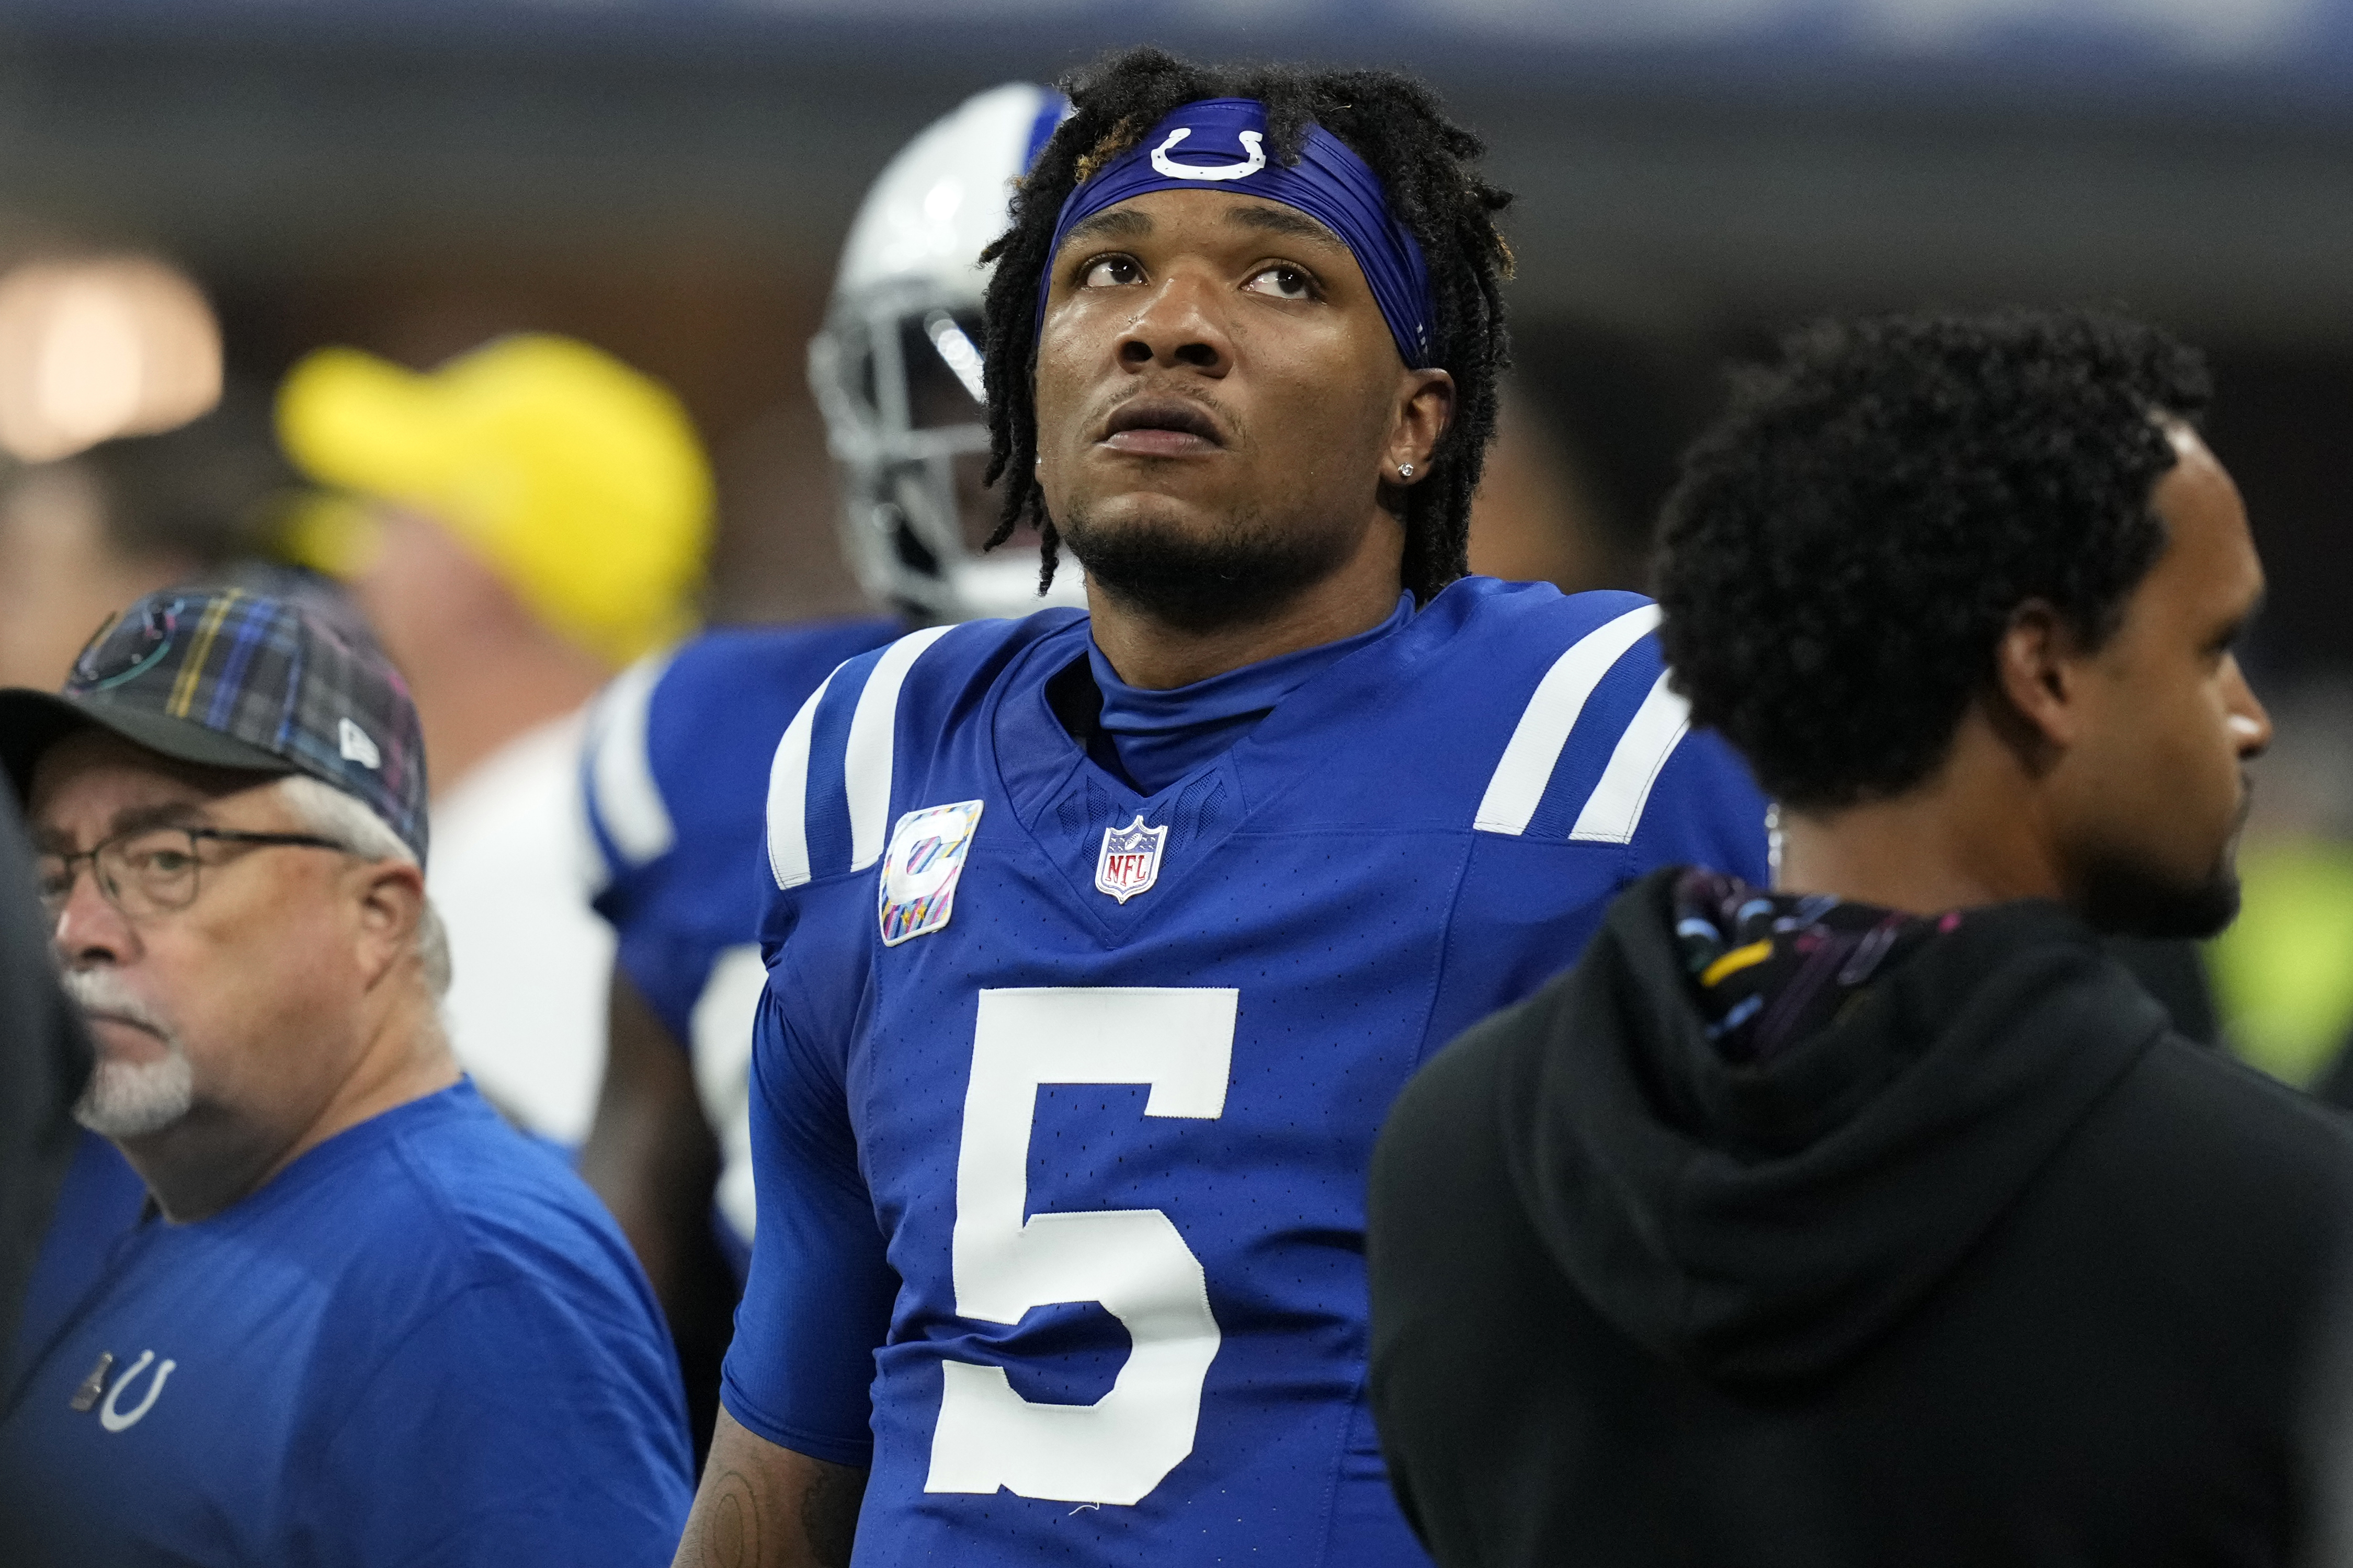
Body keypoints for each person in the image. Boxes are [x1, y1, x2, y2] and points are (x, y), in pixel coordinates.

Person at [671, 49, 1768, 1568]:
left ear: (1418, 423)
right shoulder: (872, 755)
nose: (1167, 327)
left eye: (1281, 282)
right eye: (1107, 270)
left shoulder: (1609, 736)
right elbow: (789, 1423)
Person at [1365, 308, 2353, 1567]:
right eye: (2211, 651)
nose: (2252, 718)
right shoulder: (2296, 1230)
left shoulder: (1449, 1156)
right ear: (2042, 672)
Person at [575, 81, 1076, 1453]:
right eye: (972, 371)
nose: (1047, 434)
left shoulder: (1383, 726)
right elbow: (635, 1232)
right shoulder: (715, 740)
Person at [0, 585, 694, 1564]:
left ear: (379, 916)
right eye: (51, 876)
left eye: (163, 861)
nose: (79, 933)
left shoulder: (467, 1273)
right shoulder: (225, 1216)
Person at [276, 335, 715, 1147]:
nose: (356, 562)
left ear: (477, 574)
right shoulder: (611, 805)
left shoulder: (539, 849)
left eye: (396, 517)